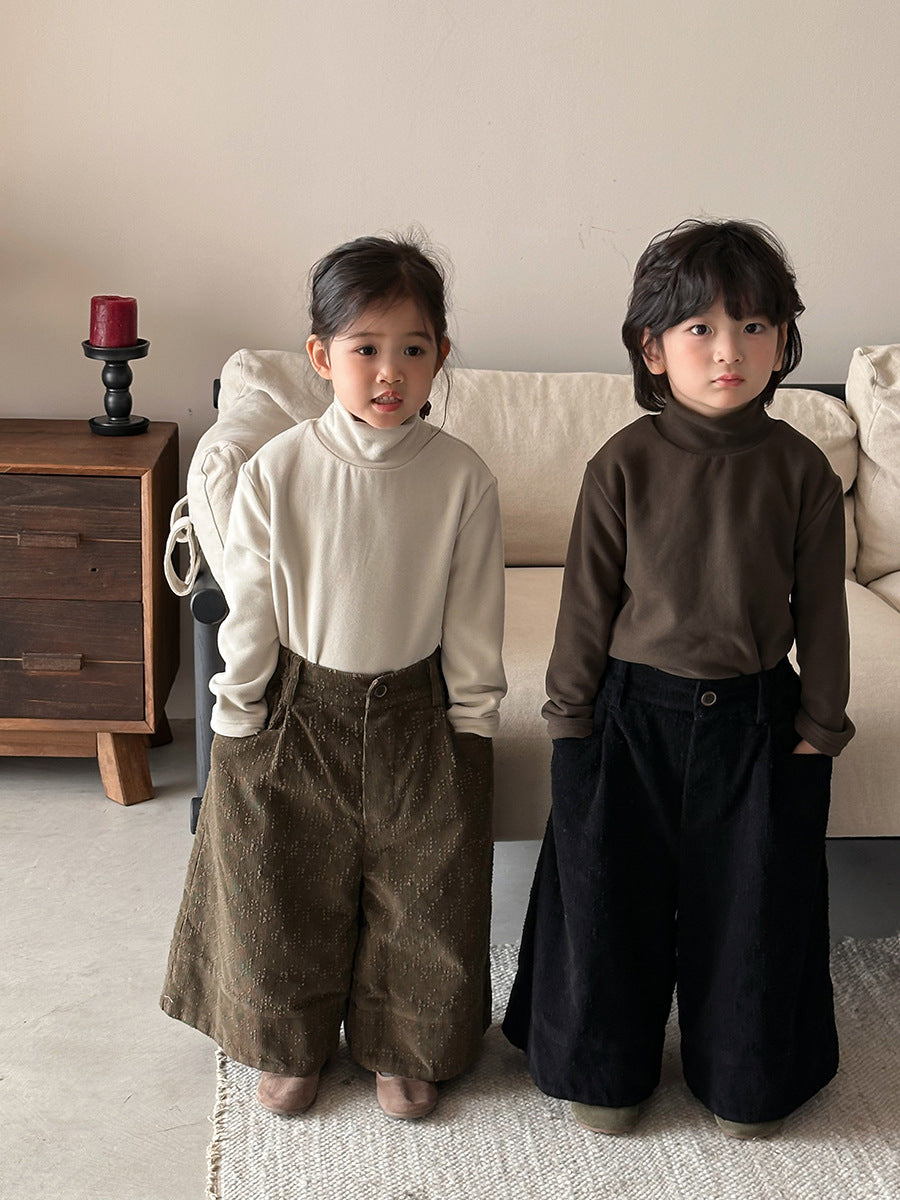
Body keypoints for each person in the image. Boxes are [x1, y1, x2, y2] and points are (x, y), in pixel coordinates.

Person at [502, 218, 854, 1141]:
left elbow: (824, 610)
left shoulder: (802, 469)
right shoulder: (622, 463)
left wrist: (820, 728)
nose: (728, 350)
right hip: (629, 719)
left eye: (753, 326)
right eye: (700, 328)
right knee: (605, 901)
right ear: (652, 348)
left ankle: (747, 1076)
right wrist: (570, 722)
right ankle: (601, 1069)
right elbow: (585, 604)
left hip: (756, 722)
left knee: (754, 912)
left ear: (783, 340)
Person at [162, 234, 506, 1122]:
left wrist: (472, 728)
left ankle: (407, 1043)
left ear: (440, 357)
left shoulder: (461, 478)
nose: (390, 371)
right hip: (298, 708)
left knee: (423, 896)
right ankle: (290, 1041)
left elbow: (473, 619)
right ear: (321, 357)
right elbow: (251, 607)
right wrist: (237, 716)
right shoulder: (279, 470)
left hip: (418, 714)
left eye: (414, 349)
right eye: (366, 348)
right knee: (280, 884)